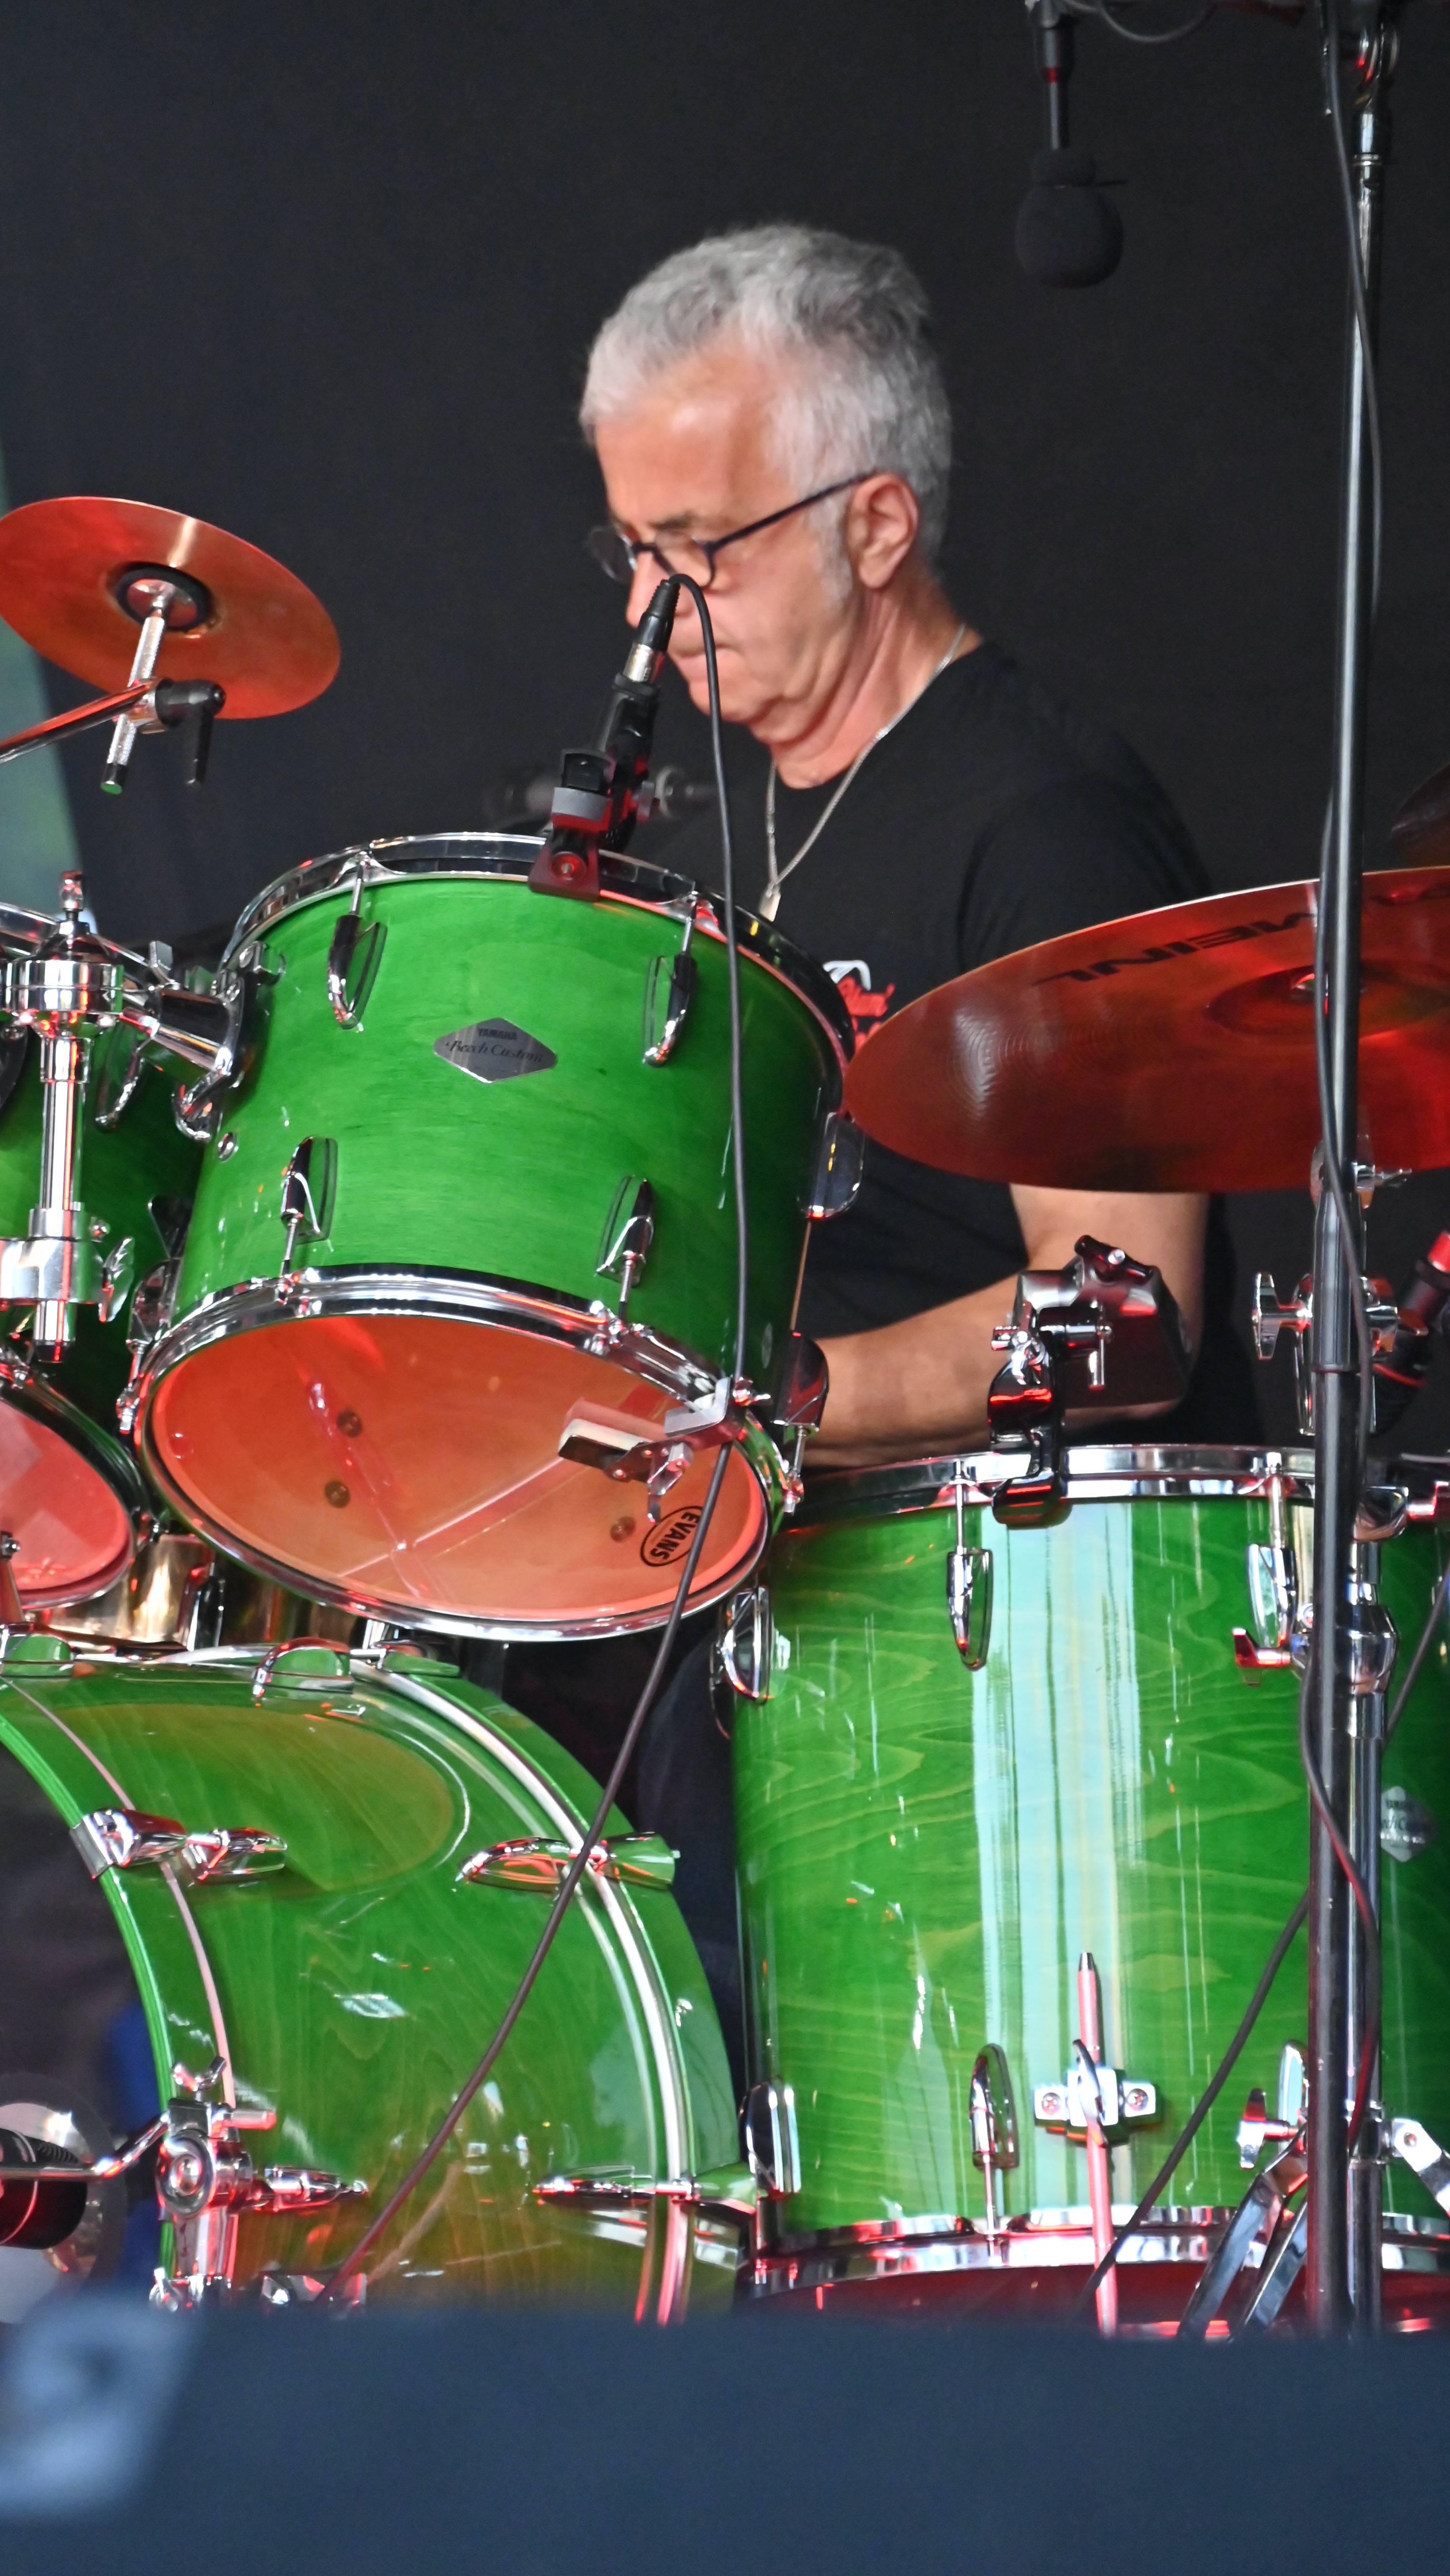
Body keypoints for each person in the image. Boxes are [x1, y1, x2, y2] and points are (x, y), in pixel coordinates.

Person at [502, 221, 1258, 2050]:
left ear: (877, 525)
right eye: (632, 551)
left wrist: (775, 1400)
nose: (648, 614)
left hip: (1003, 1670)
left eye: (701, 552)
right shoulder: (729, 821)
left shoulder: (1040, 825)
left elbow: (1130, 1315)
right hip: (773, 1633)